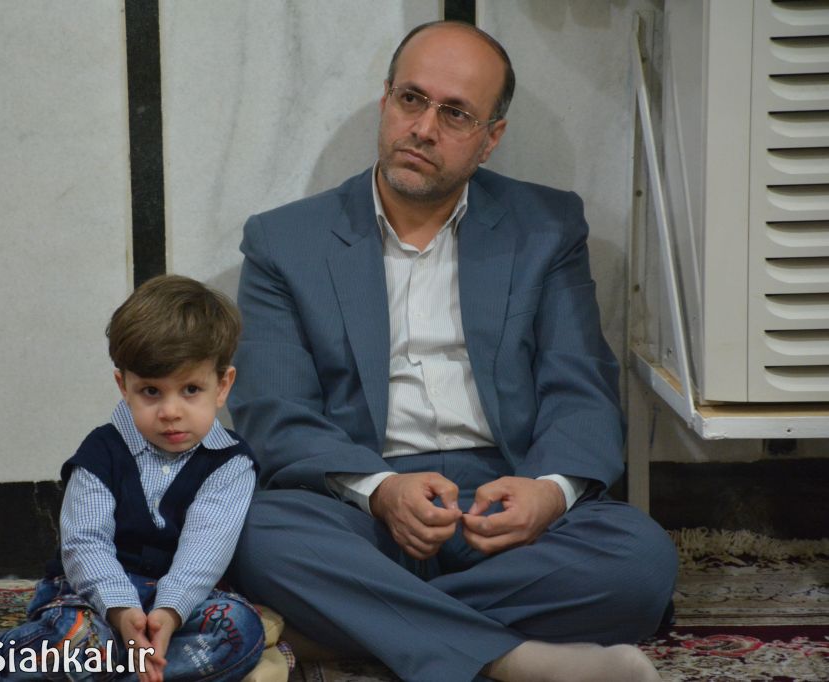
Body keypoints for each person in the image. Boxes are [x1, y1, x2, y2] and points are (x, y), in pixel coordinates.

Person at [227, 20, 677, 682]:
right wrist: (381, 490)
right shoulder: (284, 241)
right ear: (385, 100)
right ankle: (514, 659)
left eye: (455, 114)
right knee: (259, 533)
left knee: (640, 559)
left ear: (491, 138)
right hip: (359, 506)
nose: (423, 128)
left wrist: (546, 494)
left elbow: (579, 385)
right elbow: (274, 410)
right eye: (411, 99)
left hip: (503, 498)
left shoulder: (545, 228)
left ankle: (347, 627)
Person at [0, 275, 264, 681]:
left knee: (239, 630)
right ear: (124, 386)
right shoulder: (102, 451)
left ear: (222, 386)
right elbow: (85, 542)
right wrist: (122, 610)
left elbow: (204, 552)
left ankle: (94, 670)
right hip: (93, 599)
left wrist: (167, 614)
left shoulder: (230, 463)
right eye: (151, 392)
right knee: (79, 637)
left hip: (180, 606)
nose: (170, 411)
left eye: (190, 390)